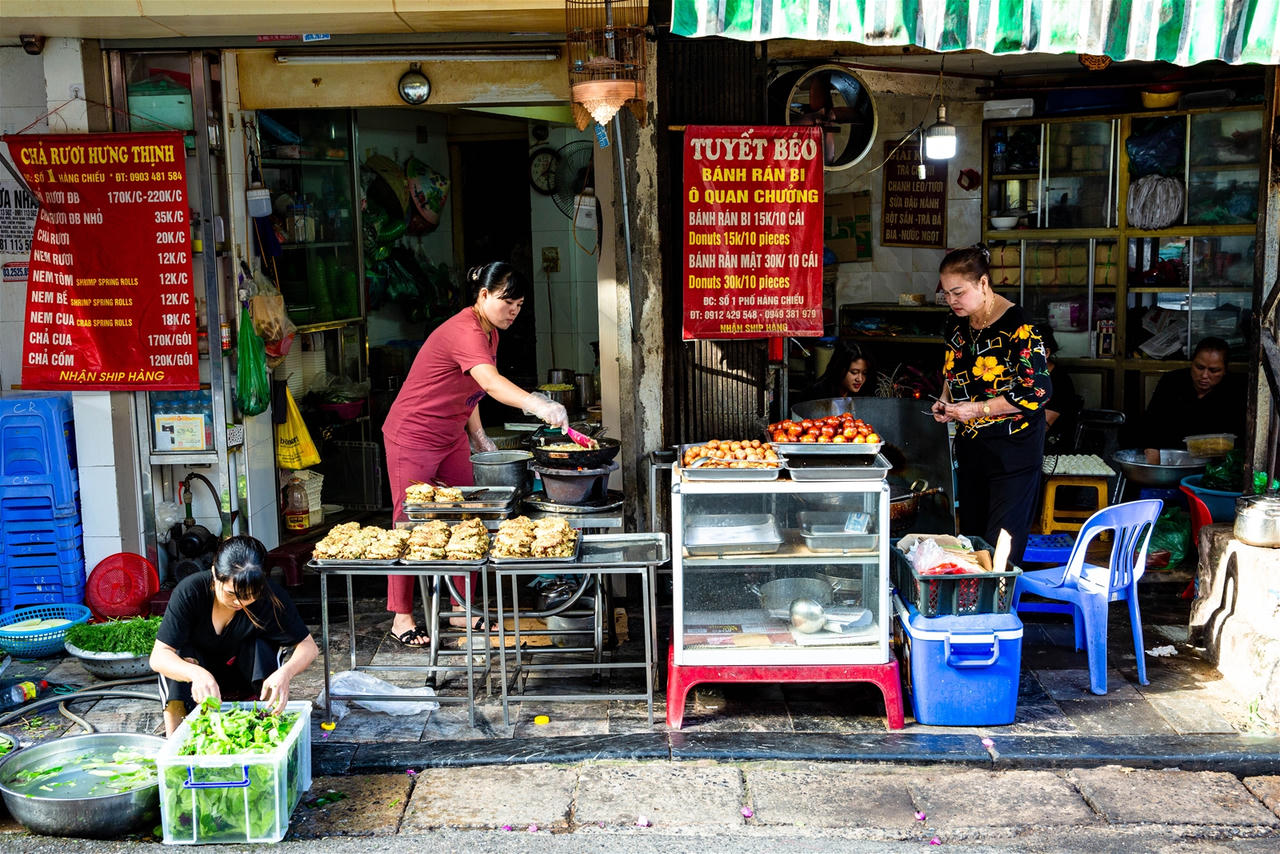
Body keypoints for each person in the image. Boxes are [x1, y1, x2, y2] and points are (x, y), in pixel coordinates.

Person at [380, 262, 569, 647]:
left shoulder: (490, 333)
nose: (513, 310)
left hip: (450, 435)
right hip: (412, 435)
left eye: (519, 303)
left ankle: (462, 609)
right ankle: (401, 616)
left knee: (470, 516)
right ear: (483, 296)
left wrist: (478, 435)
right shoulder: (465, 329)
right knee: (407, 519)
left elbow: (472, 390)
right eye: (506, 301)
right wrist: (537, 404)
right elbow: (491, 383)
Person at [930, 245, 1052, 564]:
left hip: (1014, 449)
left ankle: (999, 604)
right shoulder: (957, 323)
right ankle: (975, 608)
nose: (952, 300)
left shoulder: (1018, 325)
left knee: (1002, 541)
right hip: (973, 447)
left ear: (983, 283)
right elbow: (953, 369)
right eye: (946, 294)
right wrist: (945, 399)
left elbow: (1037, 391)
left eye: (958, 292)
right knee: (972, 537)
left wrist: (976, 409)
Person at [150, 536, 318, 736]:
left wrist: (286, 673)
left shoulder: (271, 598)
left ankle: (266, 726)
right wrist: (195, 673)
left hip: (246, 678)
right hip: (199, 683)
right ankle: (175, 742)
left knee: (262, 645)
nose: (239, 602)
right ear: (214, 573)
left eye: (248, 595)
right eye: (231, 593)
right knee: (178, 656)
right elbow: (159, 656)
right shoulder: (190, 591)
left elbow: (308, 646)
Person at [1140, 337, 1245, 457]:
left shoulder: (1235, 391)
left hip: (1216, 462)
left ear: (1225, 370)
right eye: (1199, 367)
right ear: (1192, 363)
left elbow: (1241, 438)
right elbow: (1151, 425)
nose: (1204, 375)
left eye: (1214, 370)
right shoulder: (1172, 382)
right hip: (1173, 457)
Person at [1040, 327, 1081, 452]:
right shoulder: (1025, 378)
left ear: (1046, 353)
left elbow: (1044, 425)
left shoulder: (1060, 381)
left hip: (1054, 446)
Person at [800, 340, 874, 401]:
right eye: (854, 372)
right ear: (840, 369)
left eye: (864, 373)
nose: (860, 379)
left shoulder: (864, 394)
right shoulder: (816, 394)